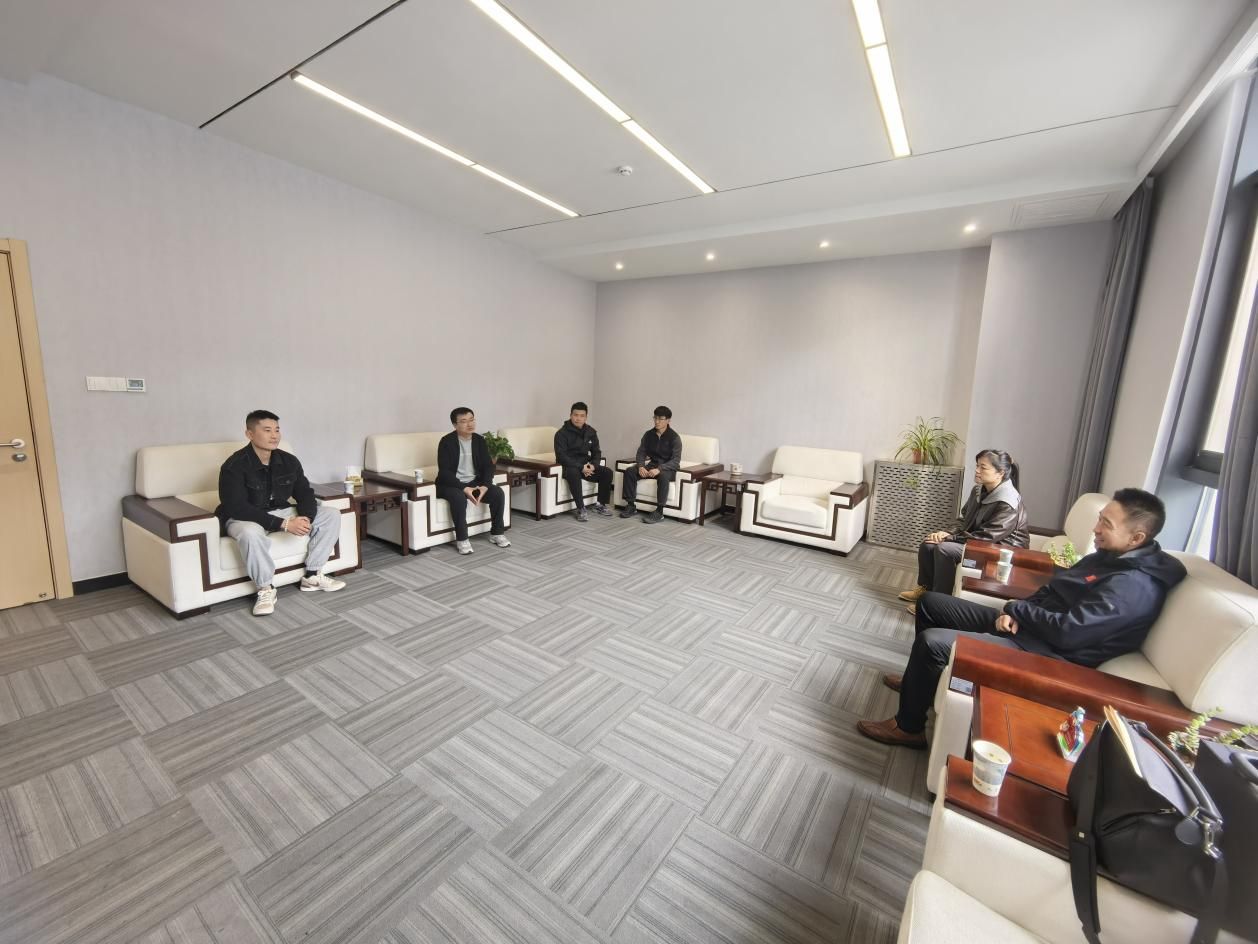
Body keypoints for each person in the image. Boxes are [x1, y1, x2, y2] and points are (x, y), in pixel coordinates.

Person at [857, 488, 1186, 749]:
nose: (1096, 529)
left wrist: (1017, 611)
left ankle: (909, 727)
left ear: (1136, 538)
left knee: (933, 643)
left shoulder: (1132, 586)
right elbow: (1054, 589)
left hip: (1048, 654)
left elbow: (1069, 633)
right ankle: (919, 684)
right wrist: (1017, 610)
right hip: (1031, 628)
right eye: (1100, 519)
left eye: (1106, 525)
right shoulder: (1109, 557)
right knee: (931, 603)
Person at [215, 410, 346, 617]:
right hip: (244, 517)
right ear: (250, 434)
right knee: (250, 533)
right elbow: (237, 507)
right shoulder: (234, 465)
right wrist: (283, 524)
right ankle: (265, 588)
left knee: (331, 514)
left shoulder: (289, 461)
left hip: (279, 510)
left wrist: (306, 518)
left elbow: (305, 493)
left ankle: (312, 575)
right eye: (267, 430)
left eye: (277, 430)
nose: (274, 435)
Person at [899, 449, 1029, 614]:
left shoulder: (1008, 503)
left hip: (1001, 553)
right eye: (977, 466)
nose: (977, 470)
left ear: (1000, 473)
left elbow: (987, 537)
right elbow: (964, 519)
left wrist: (951, 539)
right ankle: (925, 590)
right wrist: (946, 532)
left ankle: (937, 606)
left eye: (983, 467)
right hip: (979, 542)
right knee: (929, 544)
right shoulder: (978, 491)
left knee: (945, 549)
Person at [436, 407, 510, 555]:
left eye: (471, 420)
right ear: (455, 425)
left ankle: (497, 533)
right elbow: (444, 472)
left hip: (474, 482)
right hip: (451, 484)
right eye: (464, 421)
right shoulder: (446, 442)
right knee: (458, 498)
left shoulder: (479, 440)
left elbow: (488, 466)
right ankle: (462, 539)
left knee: (497, 493)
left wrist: (485, 486)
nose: (469, 424)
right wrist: (464, 488)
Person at [620, 406, 683, 523]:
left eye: (661, 419)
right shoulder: (648, 435)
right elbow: (641, 452)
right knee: (630, 471)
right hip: (652, 465)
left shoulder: (674, 438)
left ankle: (659, 512)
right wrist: (641, 466)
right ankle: (631, 505)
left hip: (668, 469)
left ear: (668, 420)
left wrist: (660, 469)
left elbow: (676, 460)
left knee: (663, 477)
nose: (657, 421)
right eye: (655, 418)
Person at [554, 401, 614, 521]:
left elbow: (596, 452)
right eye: (575, 415)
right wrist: (581, 467)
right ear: (570, 415)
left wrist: (593, 465)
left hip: (585, 465)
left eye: (582, 416)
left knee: (607, 472)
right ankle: (581, 508)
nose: (578, 418)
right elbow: (561, 456)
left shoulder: (590, 432)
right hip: (568, 466)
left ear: (586, 417)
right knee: (573, 472)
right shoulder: (561, 434)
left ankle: (600, 505)